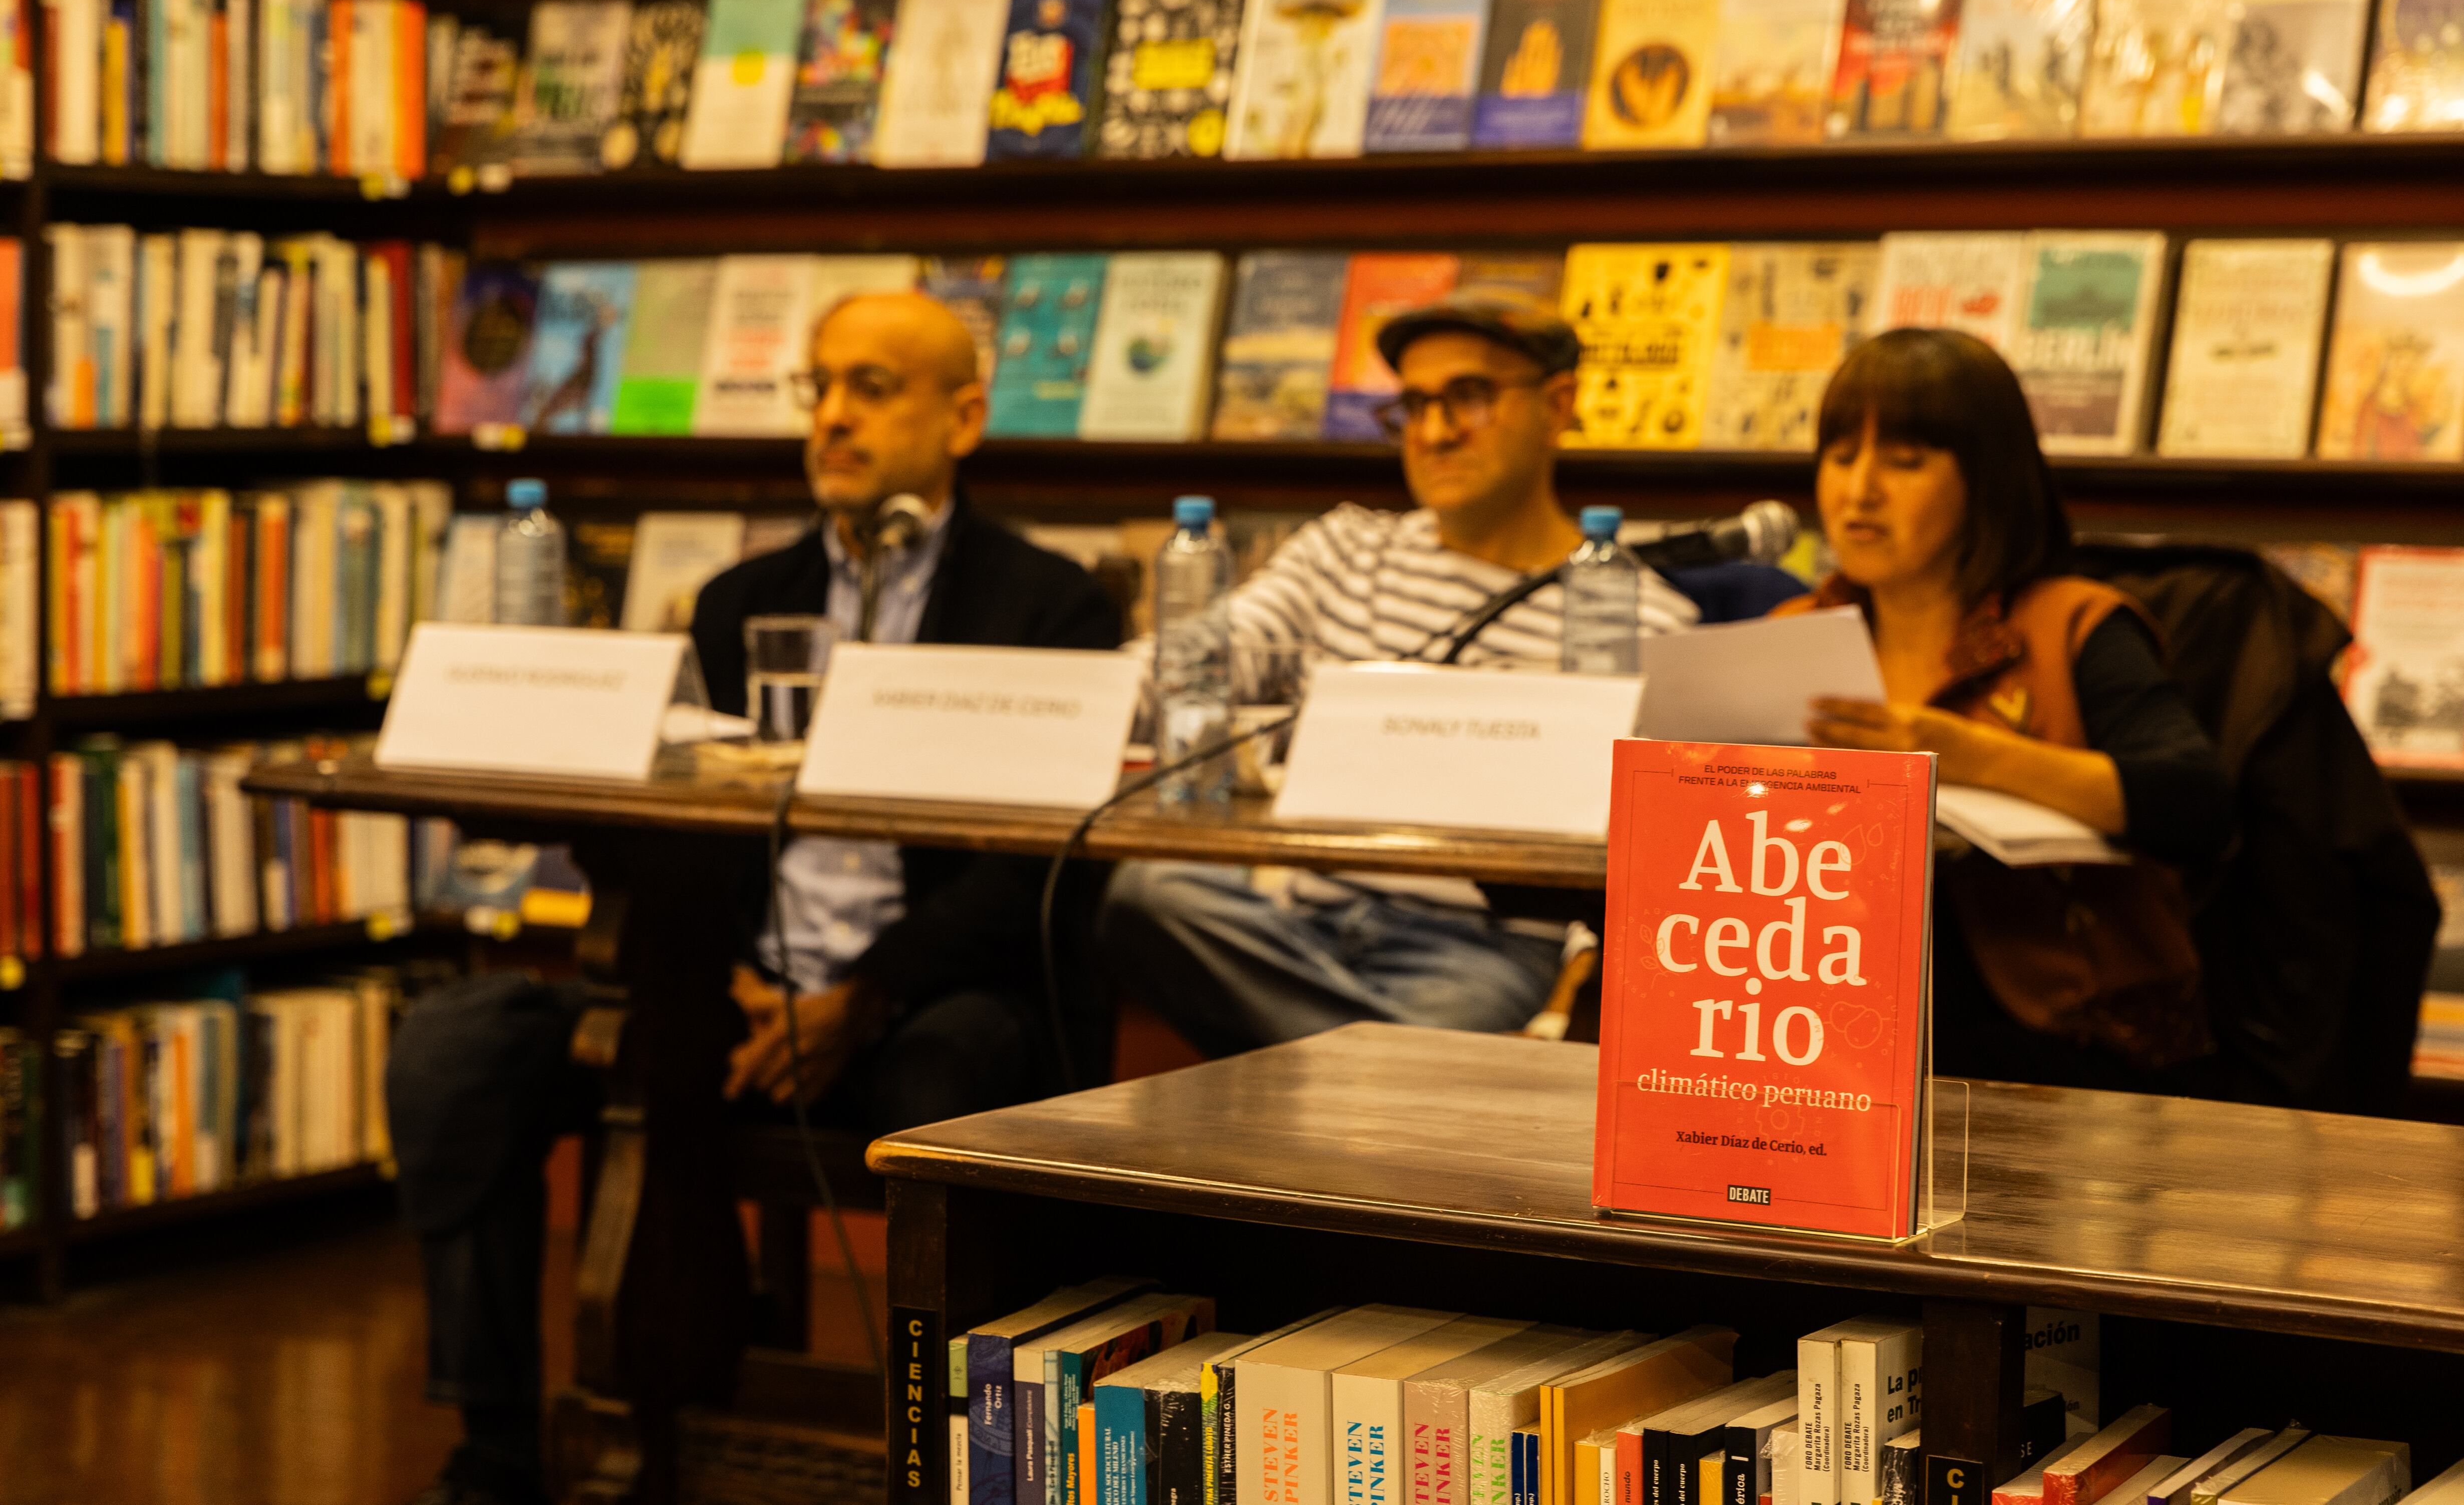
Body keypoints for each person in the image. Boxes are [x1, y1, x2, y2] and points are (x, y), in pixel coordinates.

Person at [387, 291, 1123, 1505]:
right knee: (457, 1047)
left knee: (950, 1079)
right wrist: (718, 967)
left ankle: (955, 1464)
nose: (832, 415)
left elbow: (1040, 865)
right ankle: (501, 1447)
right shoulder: (736, 600)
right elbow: (683, 824)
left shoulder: (1050, 603)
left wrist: (864, 992)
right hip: (731, 990)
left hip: (930, 991)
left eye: (872, 387)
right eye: (818, 386)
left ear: (966, 416)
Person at [1095, 297, 1698, 1057]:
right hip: (1294, 920)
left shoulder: (1641, 614)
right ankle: (1395, 1069)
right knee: (1152, 895)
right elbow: (1189, 662)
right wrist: (1071, 706)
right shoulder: (1345, 549)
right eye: (1413, 405)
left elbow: (1647, 848)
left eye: (1469, 398)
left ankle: (1363, 1069)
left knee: (1451, 1026)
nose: (1436, 432)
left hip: (1480, 949)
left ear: (1559, 405)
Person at [1783, 328, 2236, 1088]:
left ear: (1986, 479)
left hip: (2056, 1042)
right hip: (1817, 1025)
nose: (1859, 490)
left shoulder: (2073, 624)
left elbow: (2195, 806)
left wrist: (1969, 757)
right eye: (1840, 456)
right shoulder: (1790, 636)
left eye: (1904, 462)